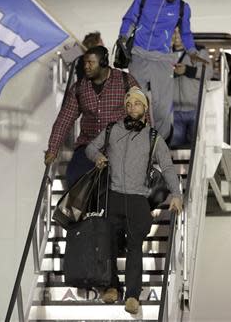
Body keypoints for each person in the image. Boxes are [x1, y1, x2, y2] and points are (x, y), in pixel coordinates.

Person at [85, 86, 182, 315]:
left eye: (136, 104)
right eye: (128, 104)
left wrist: (176, 194)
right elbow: (90, 147)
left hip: (139, 199)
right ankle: (111, 287)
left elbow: (167, 166)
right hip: (113, 195)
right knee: (107, 242)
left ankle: (132, 295)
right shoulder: (112, 130)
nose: (131, 108)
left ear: (144, 108)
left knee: (134, 246)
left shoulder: (153, 137)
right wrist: (98, 156)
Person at [118, 0, 207, 141]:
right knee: (135, 99)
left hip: (162, 57)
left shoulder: (182, 8)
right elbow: (130, 18)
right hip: (139, 53)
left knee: (162, 105)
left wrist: (192, 51)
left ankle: (160, 141)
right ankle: (134, 138)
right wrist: (123, 36)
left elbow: (186, 32)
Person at [44, 45, 141, 188]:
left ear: (103, 63)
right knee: (74, 178)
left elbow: (141, 114)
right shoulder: (79, 88)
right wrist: (53, 149)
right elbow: (64, 120)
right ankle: (82, 210)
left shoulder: (126, 82)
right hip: (88, 146)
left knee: (113, 185)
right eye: (85, 63)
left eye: (91, 63)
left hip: (119, 146)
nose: (86, 67)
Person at [171, 28, 212, 147]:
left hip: (196, 110)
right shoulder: (165, 53)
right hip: (174, 111)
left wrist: (187, 70)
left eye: (180, 32)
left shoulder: (199, 51)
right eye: (174, 32)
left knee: (196, 148)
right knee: (174, 148)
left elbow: (208, 73)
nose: (177, 36)